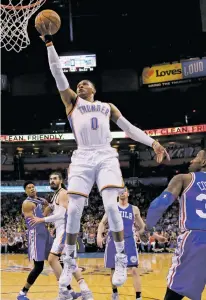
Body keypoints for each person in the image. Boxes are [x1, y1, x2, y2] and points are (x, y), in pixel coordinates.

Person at [35, 21, 169, 292]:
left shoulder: (107, 107)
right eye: (78, 84)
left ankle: (120, 257)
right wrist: (49, 42)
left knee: (112, 206)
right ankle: (70, 261)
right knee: (73, 210)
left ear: (93, 89)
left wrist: (153, 142)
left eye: (84, 84)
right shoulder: (73, 103)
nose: (80, 85)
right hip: (82, 157)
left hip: (106, 156)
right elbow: (58, 73)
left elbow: (129, 129)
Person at [145, 149, 206, 300]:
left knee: (175, 290)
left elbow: (158, 205)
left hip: (195, 238)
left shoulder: (183, 178)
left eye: (196, 157)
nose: (191, 161)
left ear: (204, 162)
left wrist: (147, 227)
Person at [29, 172, 92, 300]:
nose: (52, 181)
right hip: (62, 230)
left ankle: (64, 292)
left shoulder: (63, 193)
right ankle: (85, 291)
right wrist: (49, 205)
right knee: (70, 262)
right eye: (50, 179)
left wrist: (42, 220)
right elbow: (57, 209)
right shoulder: (56, 194)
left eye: (55, 178)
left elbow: (61, 215)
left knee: (52, 259)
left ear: (61, 180)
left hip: (65, 230)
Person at [97, 187, 166, 300]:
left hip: (129, 241)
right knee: (113, 269)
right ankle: (115, 293)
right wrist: (99, 235)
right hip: (113, 240)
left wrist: (157, 236)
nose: (122, 193)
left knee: (134, 269)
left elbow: (144, 227)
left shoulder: (134, 209)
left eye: (124, 191)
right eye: (120, 192)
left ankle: (138, 297)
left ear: (128, 193)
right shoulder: (112, 207)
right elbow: (102, 223)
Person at [17, 181, 53, 300]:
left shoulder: (41, 200)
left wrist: (49, 208)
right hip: (36, 234)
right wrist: (48, 211)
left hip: (45, 233)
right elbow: (35, 220)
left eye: (33, 187)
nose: (32, 189)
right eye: (29, 188)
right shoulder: (27, 203)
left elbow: (47, 211)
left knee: (56, 259)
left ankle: (68, 290)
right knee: (39, 267)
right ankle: (22, 292)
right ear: (26, 191)